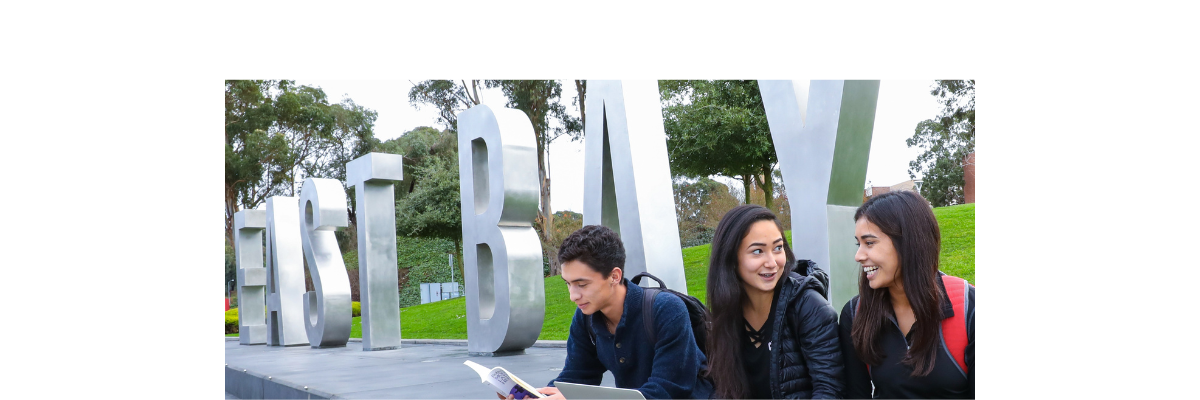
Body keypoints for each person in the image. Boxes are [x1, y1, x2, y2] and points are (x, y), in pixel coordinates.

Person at [533, 225, 713, 400]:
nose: (573, 296)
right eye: (568, 283)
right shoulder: (586, 317)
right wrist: (536, 396)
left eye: (582, 285)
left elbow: (667, 390)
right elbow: (575, 378)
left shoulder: (666, 310)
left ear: (614, 276)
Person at [839, 191, 975, 399]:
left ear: (908, 242)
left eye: (869, 243)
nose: (859, 256)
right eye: (859, 244)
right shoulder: (855, 314)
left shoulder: (970, 308)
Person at [705, 204, 845, 399]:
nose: (772, 262)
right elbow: (724, 390)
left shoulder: (809, 306)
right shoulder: (726, 312)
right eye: (757, 251)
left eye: (778, 248)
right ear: (731, 258)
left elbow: (830, 390)